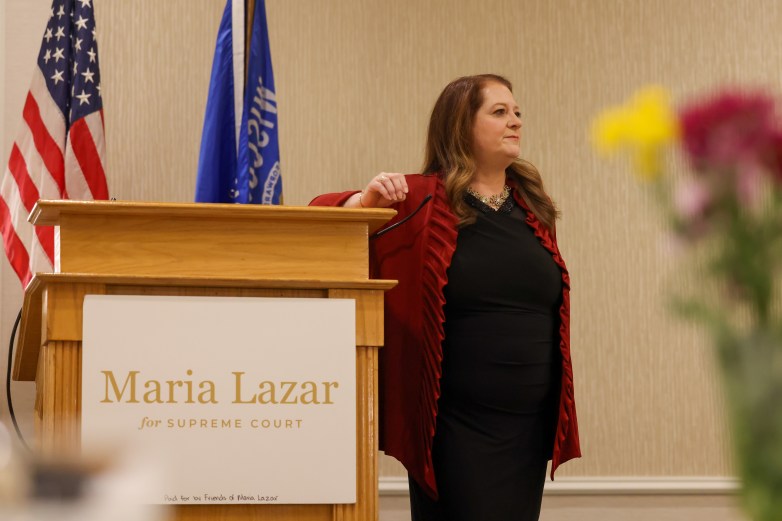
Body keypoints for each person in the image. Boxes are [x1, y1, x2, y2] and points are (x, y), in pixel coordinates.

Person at [310, 74, 580, 521]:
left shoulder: (534, 208)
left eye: (517, 112)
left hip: (528, 424)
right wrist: (364, 202)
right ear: (460, 126)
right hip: (455, 425)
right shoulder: (417, 200)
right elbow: (318, 220)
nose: (515, 121)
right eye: (499, 112)